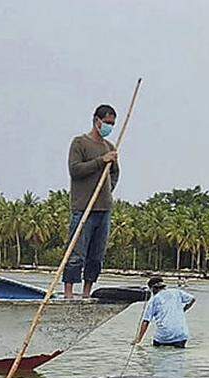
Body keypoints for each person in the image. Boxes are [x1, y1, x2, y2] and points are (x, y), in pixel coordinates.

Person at [64, 104, 120, 299]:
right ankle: (69, 293)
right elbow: (75, 170)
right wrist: (100, 161)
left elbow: (115, 173)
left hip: (103, 209)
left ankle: (86, 293)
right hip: (83, 208)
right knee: (76, 253)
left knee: (96, 256)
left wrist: (108, 189)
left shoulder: (110, 148)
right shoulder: (79, 143)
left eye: (112, 124)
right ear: (97, 121)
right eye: (107, 123)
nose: (109, 127)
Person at [134, 276, 196, 348]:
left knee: (157, 355)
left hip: (164, 336)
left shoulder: (154, 300)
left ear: (153, 289)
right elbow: (192, 299)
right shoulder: (176, 292)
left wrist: (138, 340)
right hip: (181, 335)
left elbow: (146, 321)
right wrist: (183, 309)